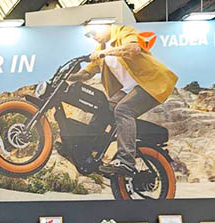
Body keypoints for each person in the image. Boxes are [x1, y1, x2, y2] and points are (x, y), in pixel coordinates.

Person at [69, 23, 177, 177]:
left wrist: (104, 53)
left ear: (106, 25)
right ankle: (89, 153)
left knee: (123, 109)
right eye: (88, 35)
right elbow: (86, 73)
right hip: (129, 89)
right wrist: (67, 77)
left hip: (151, 83)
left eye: (94, 31)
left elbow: (133, 48)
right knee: (103, 109)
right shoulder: (100, 49)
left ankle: (126, 161)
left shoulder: (122, 32)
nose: (93, 36)